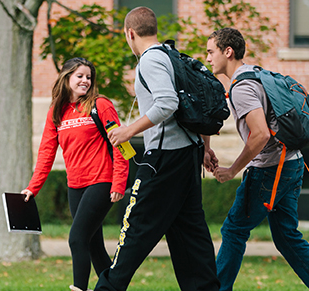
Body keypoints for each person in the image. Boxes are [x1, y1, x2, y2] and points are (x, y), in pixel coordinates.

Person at [204, 28, 309, 291]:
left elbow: (260, 135)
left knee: (234, 231)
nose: (208, 58)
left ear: (228, 52)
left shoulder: (242, 87)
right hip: (293, 163)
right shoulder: (257, 75)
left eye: (210, 51)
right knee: (287, 238)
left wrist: (233, 170)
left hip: (269, 170)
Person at [94, 6, 220, 291]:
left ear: (130, 34)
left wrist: (128, 130)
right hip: (188, 154)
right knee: (191, 236)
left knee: (135, 228)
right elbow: (195, 104)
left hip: (164, 158)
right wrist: (204, 145)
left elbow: (167, 103)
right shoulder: (172, 56)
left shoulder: (150, 61)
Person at [21, 57, 129, 291]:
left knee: (77, 238)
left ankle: (79, 288)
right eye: (80, 76)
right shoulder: (56, 112)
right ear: (67, 77)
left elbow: (121, 145)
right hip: (76, 186)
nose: (85, 81)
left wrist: (119, 182)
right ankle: (114, 288)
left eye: (89, 77)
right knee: (93, 245)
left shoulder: (100, 105)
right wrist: (33, 187)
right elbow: (46, 152)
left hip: (101, 181)